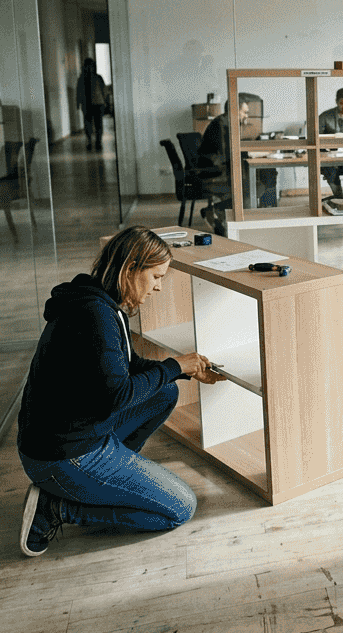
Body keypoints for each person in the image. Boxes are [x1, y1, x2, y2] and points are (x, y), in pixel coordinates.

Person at [16, 226, 223, 557]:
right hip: (64, 456)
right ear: (131, 269)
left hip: (58, 438)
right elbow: (117, 394)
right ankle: (57, 508)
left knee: (165, 392)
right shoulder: (98, 315)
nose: (158, 286)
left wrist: (185, 370)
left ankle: (106, 482)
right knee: (180, 508)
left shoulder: (93, 300)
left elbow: (124, 366)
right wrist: (175, 367)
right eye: (156, 276)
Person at [197, 92, 264, 234]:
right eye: (244, 112)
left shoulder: (225, 122)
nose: (246, 116)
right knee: (254, 188)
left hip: (218, 169)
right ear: (234, 110)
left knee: (256, 185)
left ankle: (228, 219)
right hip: (215, 173)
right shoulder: (222, 125)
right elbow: (228, 154)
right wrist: (252, 153)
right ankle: (217, 212)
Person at [76, 57, 108, 151]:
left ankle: (98, 142)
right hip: (86, 104)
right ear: (85, 67)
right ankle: (89, 141)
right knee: (88, 124)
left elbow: (104, 90)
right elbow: (79, 92)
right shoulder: (81, 79)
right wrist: (78, 103)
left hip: (98, 104)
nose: (89, 68)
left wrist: (105, 102)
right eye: (87, 66)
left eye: (91, 65)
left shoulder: (98, 77)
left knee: (98, 124)